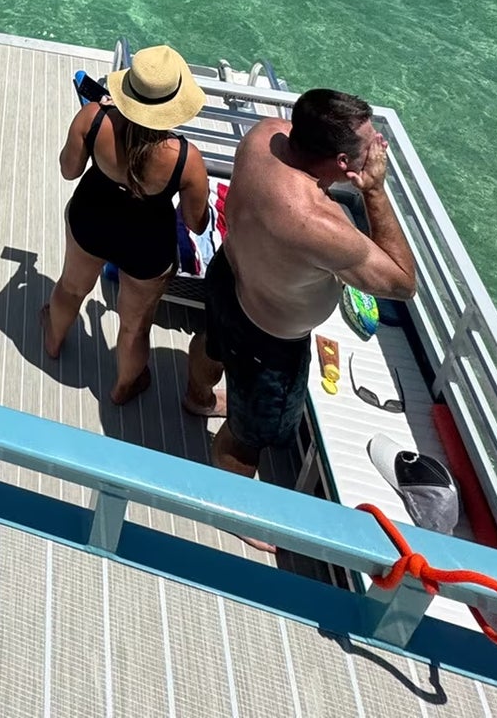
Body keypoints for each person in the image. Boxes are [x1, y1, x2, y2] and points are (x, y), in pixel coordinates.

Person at [184, 89, 417, 505]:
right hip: (268, 340)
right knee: (248, 436)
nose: (377, 151)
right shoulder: (321, 224)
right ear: (343, 163)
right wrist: (375, 191)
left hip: (228, 276)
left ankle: (197, 397)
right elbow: (403, 283)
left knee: (212, 343)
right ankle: (234, 507)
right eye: (370, 147)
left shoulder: (264, 135)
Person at [41, 47, 210, 404]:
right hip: (146, 244)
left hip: (91, 219)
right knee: (134, 326)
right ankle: (123, 388)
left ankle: (53, 343)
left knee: (70, 288)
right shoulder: (186, 158)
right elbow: (197, 224)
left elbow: (69, 170)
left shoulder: (93, 118)